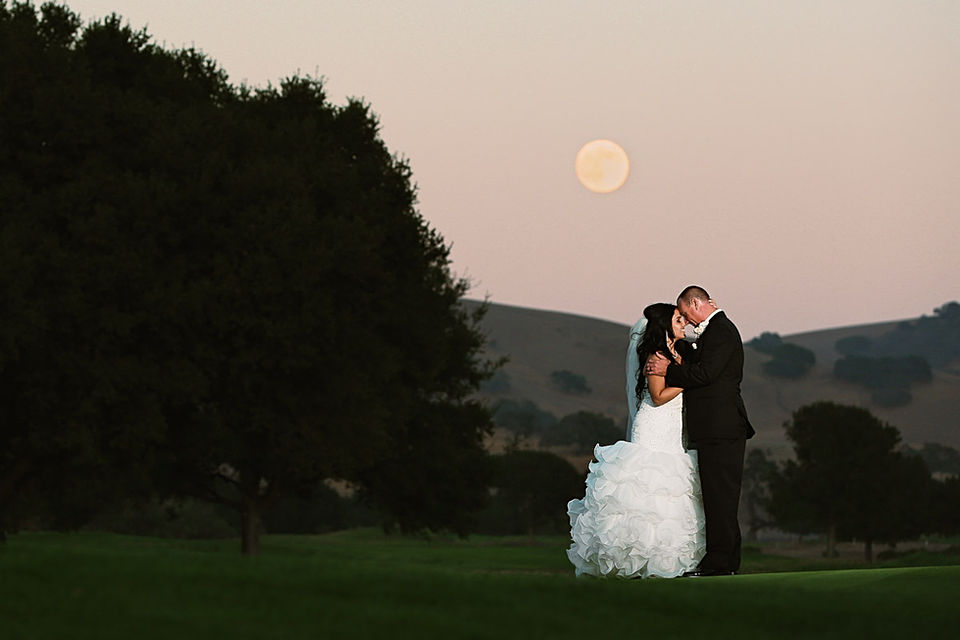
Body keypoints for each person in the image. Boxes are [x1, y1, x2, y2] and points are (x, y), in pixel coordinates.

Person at [566, 303, 706, 578]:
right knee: (646, 487)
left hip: (672, 428)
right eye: (678, 320)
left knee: (670, 492)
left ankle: (666, 560)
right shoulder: (657, 355)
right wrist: (688, 381)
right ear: (665, 326)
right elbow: (658, 396)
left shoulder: (677, 354)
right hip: (654, 424)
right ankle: (637, 558)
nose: (684, 324)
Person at [645, 286, 755, 577]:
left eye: (685, 313)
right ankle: (725, 562)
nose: (686, 320)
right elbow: (699, 364)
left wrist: (668, 369)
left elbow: (706, 374)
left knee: (720, 497)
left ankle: (720, 562)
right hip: (716, 428)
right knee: (719, 496)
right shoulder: (716, 331)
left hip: (721, 427)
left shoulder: (721, 331)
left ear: (695, 303)